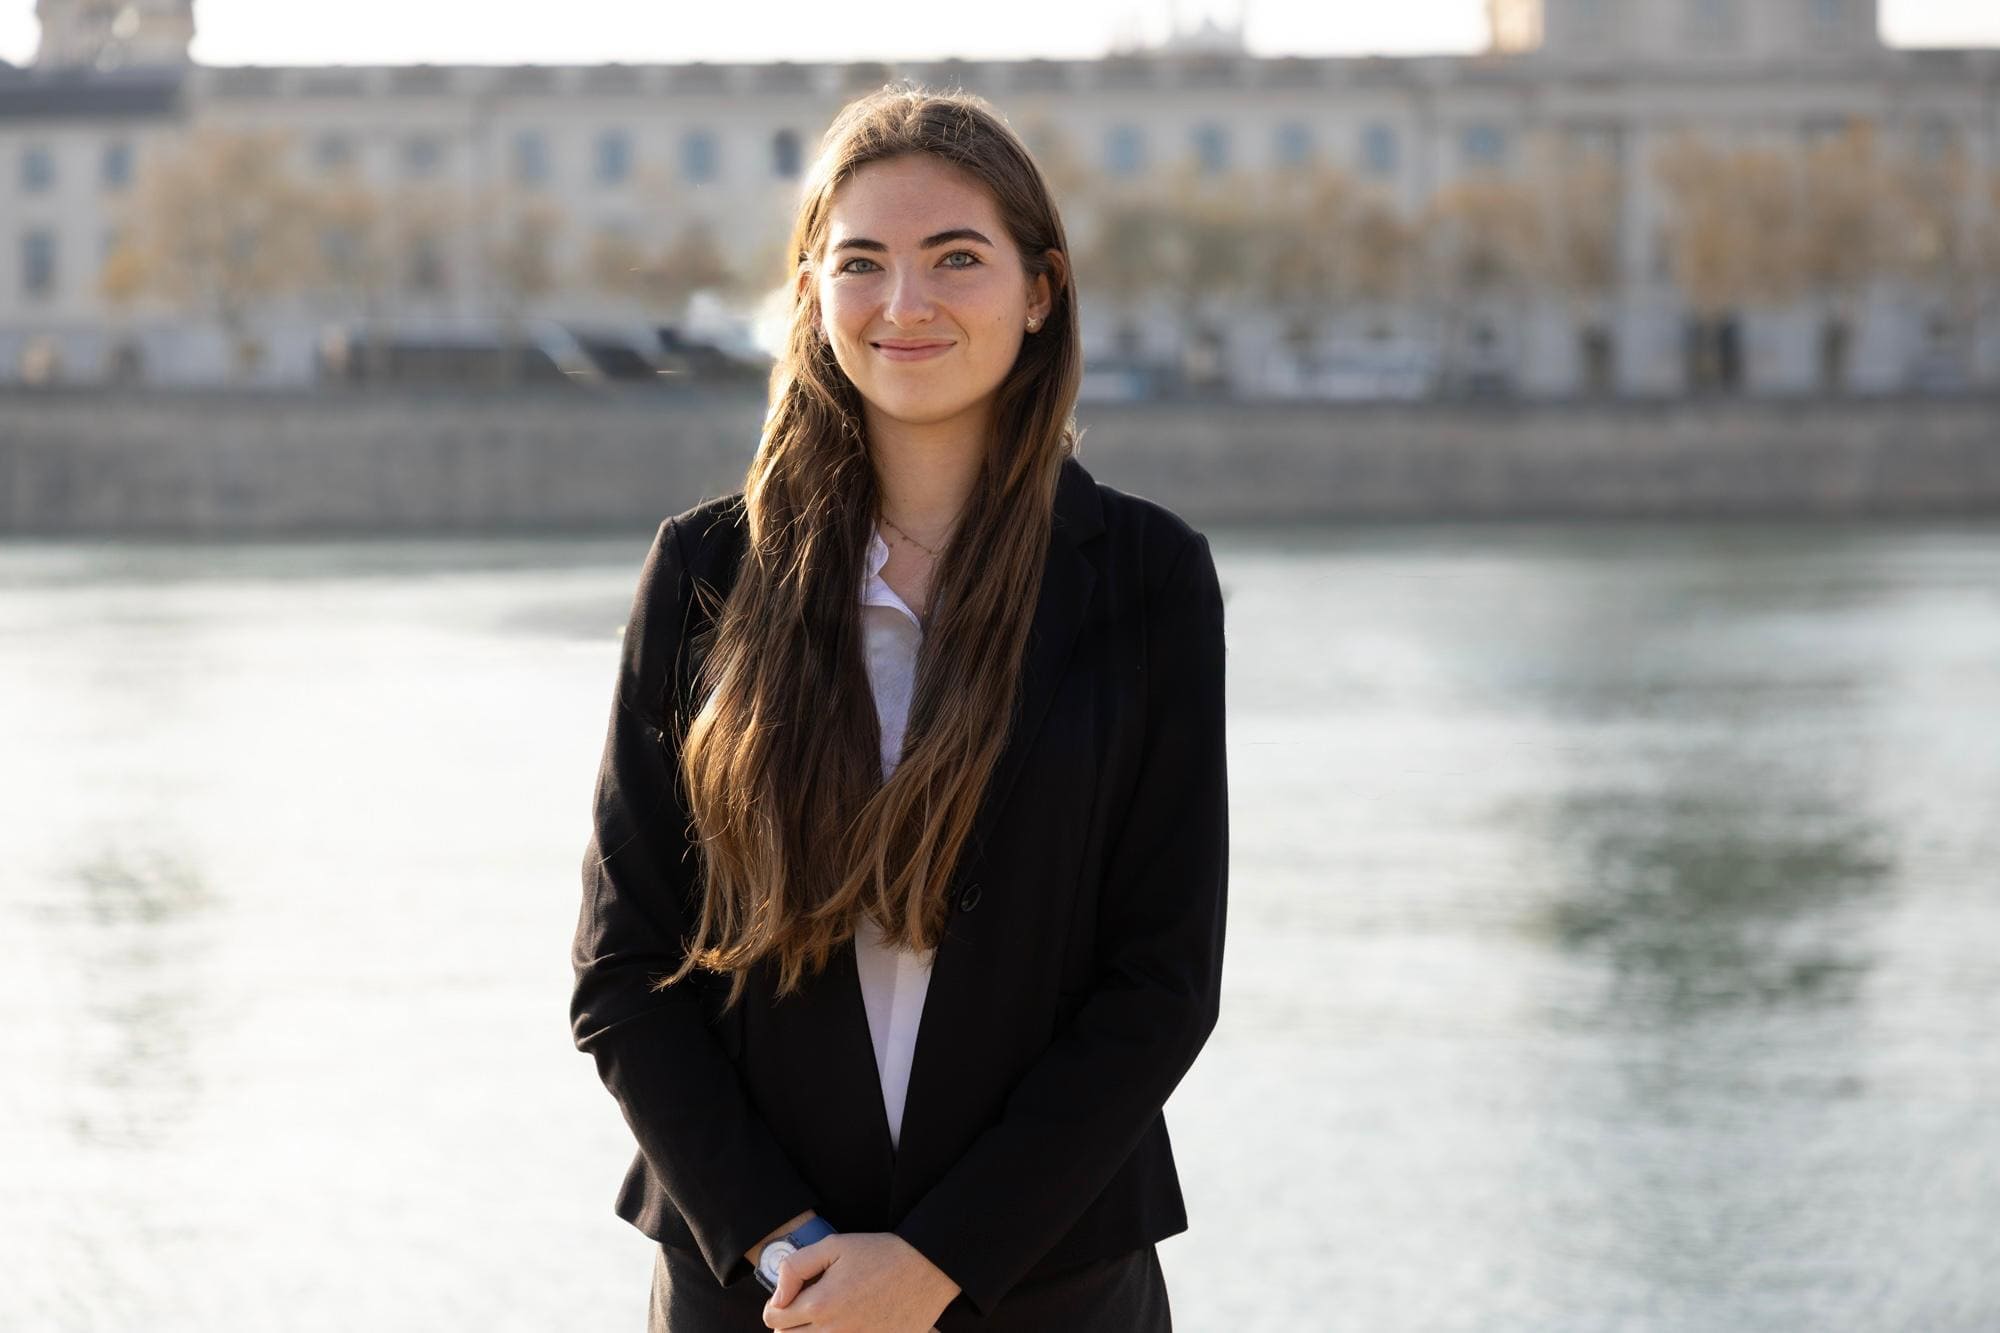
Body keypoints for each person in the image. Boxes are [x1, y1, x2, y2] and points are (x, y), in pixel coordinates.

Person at [570, 83, 1228, 1332]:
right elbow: (623, 967)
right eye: (860, 262)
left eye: (956, 259)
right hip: (756, 1293)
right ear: (811, 296)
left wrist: (934, 1262)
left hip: (1047, 1287)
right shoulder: (703, 571)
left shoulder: (1150, 579)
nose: (904, 303)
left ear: (1040, 291)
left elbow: (1159, 982)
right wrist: (787, 1245)